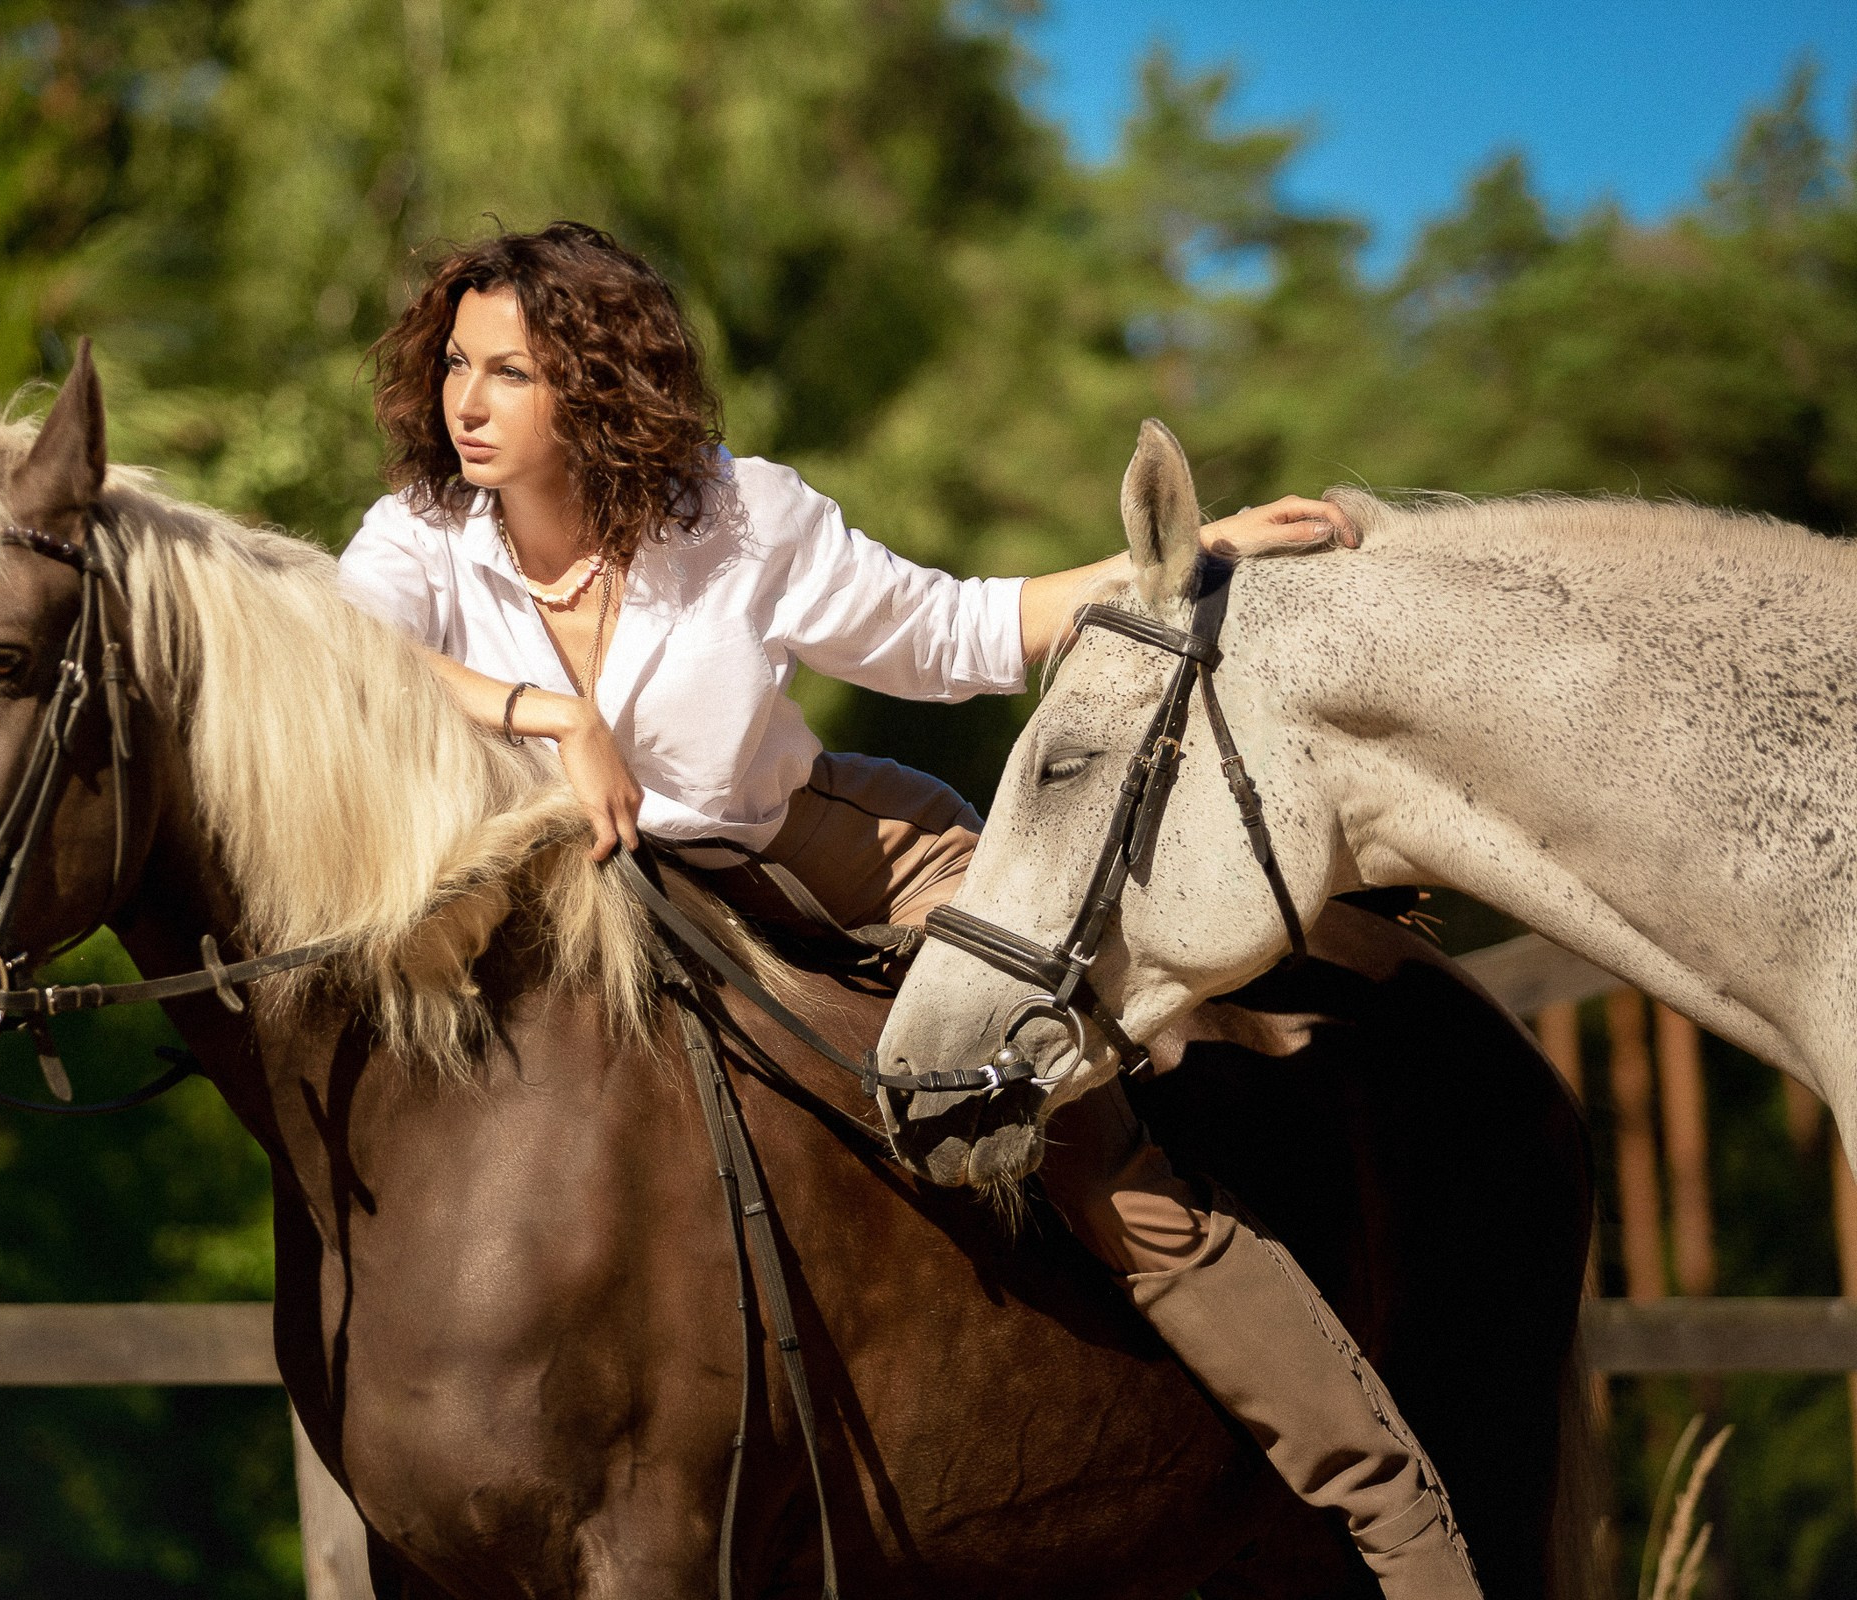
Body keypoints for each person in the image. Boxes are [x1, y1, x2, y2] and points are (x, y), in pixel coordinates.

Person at [337, 221, 1478, 1597]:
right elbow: (354, 663)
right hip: (565, 911)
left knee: (1101, 1157)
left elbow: (958, 637)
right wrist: (545, 714)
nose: (467, 401)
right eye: (456, 364)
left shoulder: (737, 511)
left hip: (818, 850)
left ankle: (1398, 1522)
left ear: (591, 381)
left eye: (508, 371)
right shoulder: (419, 540)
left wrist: (1198, 553)